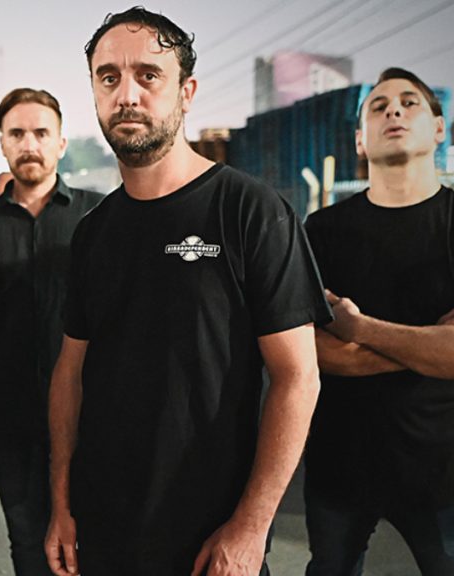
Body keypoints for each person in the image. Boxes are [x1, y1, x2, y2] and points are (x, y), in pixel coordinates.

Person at [45, 8, 331, 576]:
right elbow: (70, 374)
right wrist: (61, 505)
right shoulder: (94, 231)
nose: (127, 94)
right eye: (108, 77)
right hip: (103, 532)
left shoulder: (250, 210)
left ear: (186, 92)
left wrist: (251, 527)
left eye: (148, 75)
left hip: (210, 542)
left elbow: (298, 378)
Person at [302, 67, 454, 576]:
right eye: (378, 107)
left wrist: (360, 329)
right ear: (360, 140)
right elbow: (312, 353)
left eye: (409, 103)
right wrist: (438, 344)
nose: (394, 111)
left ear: (439, 128)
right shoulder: (321, 231)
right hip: (339, 468)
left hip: (441, 471)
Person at [0, 88, 103, 575]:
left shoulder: (99, 216)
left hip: (90, 413)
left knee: (95, 543)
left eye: (40, 133)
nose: (29, 144)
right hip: (7, 417)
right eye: (17, 133)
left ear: (60, 143)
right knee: (29, 545)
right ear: (3, 144)